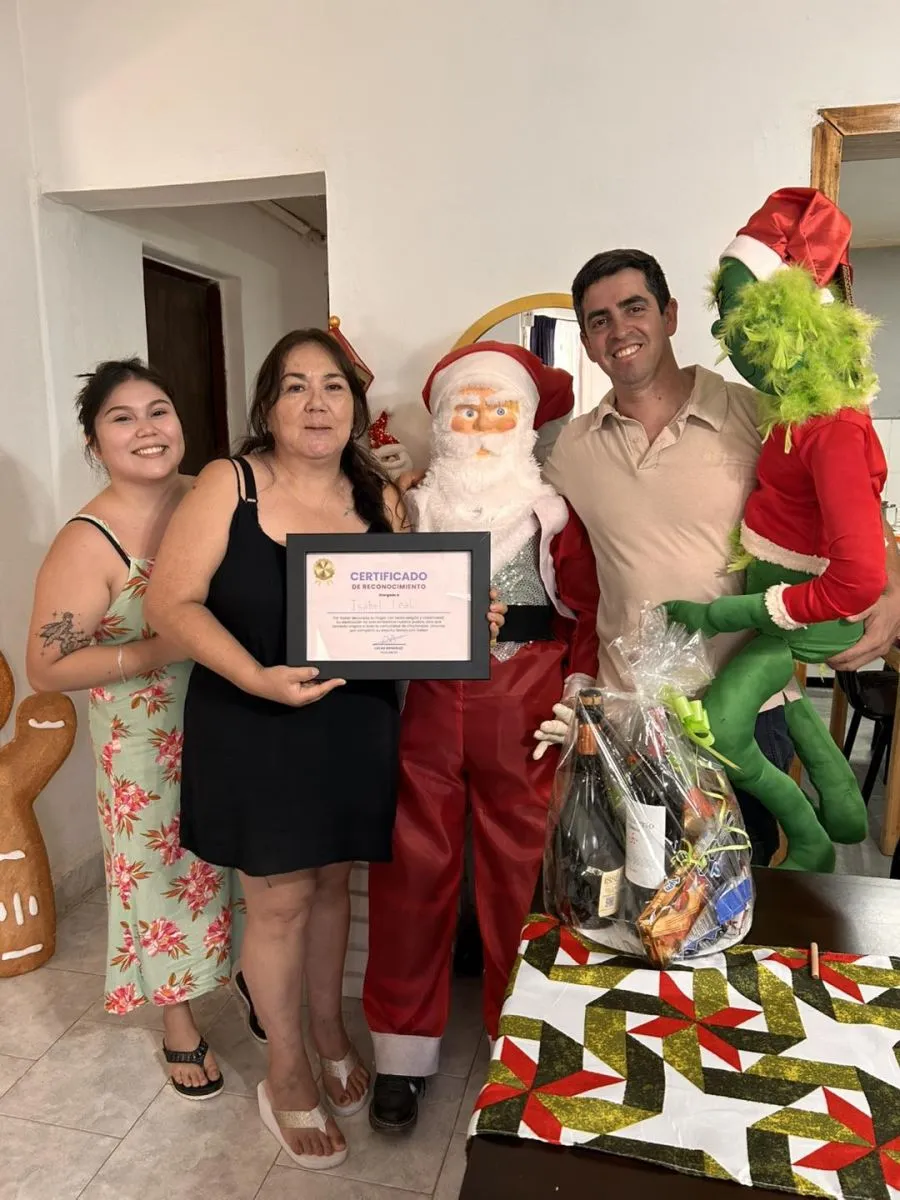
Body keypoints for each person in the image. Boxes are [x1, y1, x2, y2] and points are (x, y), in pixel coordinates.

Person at [144, 328, 504, 1169]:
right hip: (256, 721)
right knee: (279, 903)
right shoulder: (229, 485)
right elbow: (171, 602)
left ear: (354, 404)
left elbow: (403, 613)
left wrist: (464, 621)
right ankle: (287, 1071)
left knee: (335, 885)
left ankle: (332, 1032)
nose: (315, 404)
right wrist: (257, 676)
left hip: (351, 727)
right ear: (268, 405)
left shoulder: (379, 497)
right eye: (295, 386)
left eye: (333, 387)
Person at [538, 248, 900, 863]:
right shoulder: (572, 449)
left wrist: (891, 589)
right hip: (633, 717)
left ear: (670, 315)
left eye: (634, 308)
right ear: (589, 344)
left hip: (746, 709)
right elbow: (520, 521)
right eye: (599, 320)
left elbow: (855, 506)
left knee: (745, 884)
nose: (619, 330)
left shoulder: (758, 415)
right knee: (645, 892)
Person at [363, 342, 599, 1135]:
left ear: (526, 422)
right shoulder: (411, 508)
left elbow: (587, 608)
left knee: (521, 878)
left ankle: (522, 1036)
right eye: (468, 410)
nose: (486, 424)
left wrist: (578, 690)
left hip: (525, 710)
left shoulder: (552, 511)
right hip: (427, 709)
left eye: (501, 410)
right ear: (442, 423)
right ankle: (401, 1051)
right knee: (409, 871)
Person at [26, 359, 235, 1100]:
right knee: (161, 877)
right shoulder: (88, 540)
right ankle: (178, 1020)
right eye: (122, 417)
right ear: (95, 442)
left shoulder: (211, 497)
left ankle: (247, 979)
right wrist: (157, 650)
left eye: (158, 410)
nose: (147, 429)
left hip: (229, 719)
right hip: (146, 745)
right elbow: (46, 666)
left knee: (236, 862)